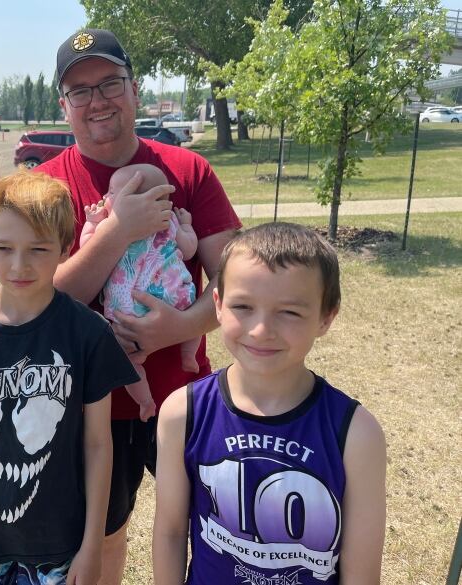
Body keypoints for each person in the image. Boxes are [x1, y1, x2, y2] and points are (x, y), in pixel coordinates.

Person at [38, 28, 242, 583]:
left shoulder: (189, 171)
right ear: (63, 105)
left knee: (208, 530)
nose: (96, 99)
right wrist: (114, 234)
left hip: (181, 399)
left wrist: (179, 326)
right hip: (86, 409)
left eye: (109, 82)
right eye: (79, 90)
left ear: (134, 88)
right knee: (104, 538)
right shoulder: (44, 188)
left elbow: (238, 283)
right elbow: (40, 302)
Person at [0, 168, 139, 585]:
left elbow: (97, 444)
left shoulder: (87, 334)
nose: (19, 265)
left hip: (62, 544)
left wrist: (92, 545)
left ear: (65, 247)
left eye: (38, 249)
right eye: (3, 248)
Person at [153, 222, 387, 584]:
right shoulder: (182, 413)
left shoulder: (357, 435)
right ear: (217, 305)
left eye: (290, 312)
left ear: (326, 316)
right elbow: (169, 534)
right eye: (243, 306)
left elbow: (361, 573)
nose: (262, 329)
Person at [80, 163, 202, 422]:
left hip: (127, 309)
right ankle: (188, 354)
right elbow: (190, 250)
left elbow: (87, 247)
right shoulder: (168, 224)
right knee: (193, 316)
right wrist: (187, 226)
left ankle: (145, 401)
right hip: (174, 296)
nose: (105, 197)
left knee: (130, 362)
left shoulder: (109, 229)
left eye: (112, 193)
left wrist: (92, 224)